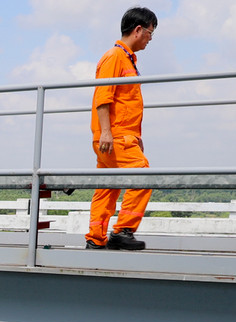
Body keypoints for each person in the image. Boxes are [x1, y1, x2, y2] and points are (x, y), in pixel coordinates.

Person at [86, 7, 158, 252]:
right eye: (150, 33)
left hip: (118, 136)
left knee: (108, 186)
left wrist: (137, 137)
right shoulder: (115, 57)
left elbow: (125, 104)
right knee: (143, 176)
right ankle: (123, 231)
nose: (150, 39)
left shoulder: (125, 59)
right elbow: (103, 97)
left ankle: (95, 238)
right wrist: (107, 132)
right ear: (138, 30)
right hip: (114, 137)